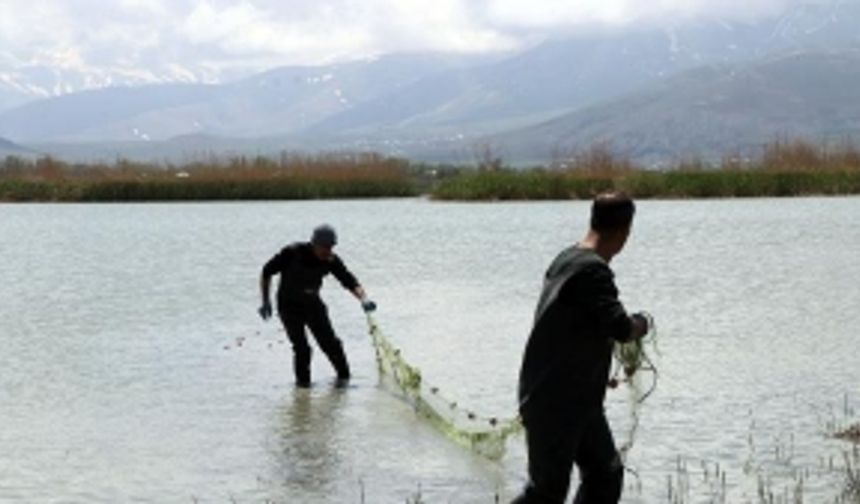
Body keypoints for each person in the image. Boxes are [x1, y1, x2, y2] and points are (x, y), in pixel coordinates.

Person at [512, 192, 649, 504]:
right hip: (557, 402)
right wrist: (643, 323)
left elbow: (581, 326)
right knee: (546, 492)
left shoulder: (567, 258)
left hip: (577, 400)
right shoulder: (593, 270)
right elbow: (621, 328)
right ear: (625, 232)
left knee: (606, 475)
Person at [258, 224, 376, 388]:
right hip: (289, 306)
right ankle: (303, 387)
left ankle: (344, 382)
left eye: (331, 247)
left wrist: (364, 299)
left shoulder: (331, 260)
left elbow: (349, 281)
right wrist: (265, 300)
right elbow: (266, 271)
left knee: (332, 344)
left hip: (313, 304)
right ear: (314, 244)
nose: (327, 251)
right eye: (324, 247)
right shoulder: (292, 252)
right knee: (302, 349)